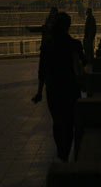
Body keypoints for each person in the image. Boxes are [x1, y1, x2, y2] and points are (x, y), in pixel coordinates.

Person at [32, 12, 86, 162]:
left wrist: (39, 92)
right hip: (70, 87)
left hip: (53, 88)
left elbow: (42, 70)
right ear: (68, 26)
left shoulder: (47, 46)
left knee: (57, 121)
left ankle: (61, 153)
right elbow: (83, 63)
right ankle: (67, 150)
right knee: (69, 122)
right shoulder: (74, 44)